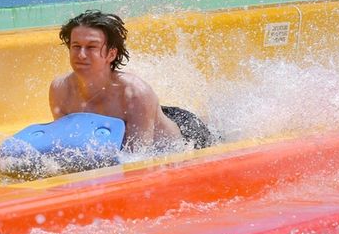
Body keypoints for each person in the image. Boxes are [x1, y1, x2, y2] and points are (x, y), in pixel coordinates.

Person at [49, 10, 215, 152]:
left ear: (111, 54)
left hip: (187, 135)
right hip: (147, 117)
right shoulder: (61, 90)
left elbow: (138, 159)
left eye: (91, 47)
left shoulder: (135, 94)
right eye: (76, 46)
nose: (81, 55)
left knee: (220, 138)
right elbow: (65, 146)